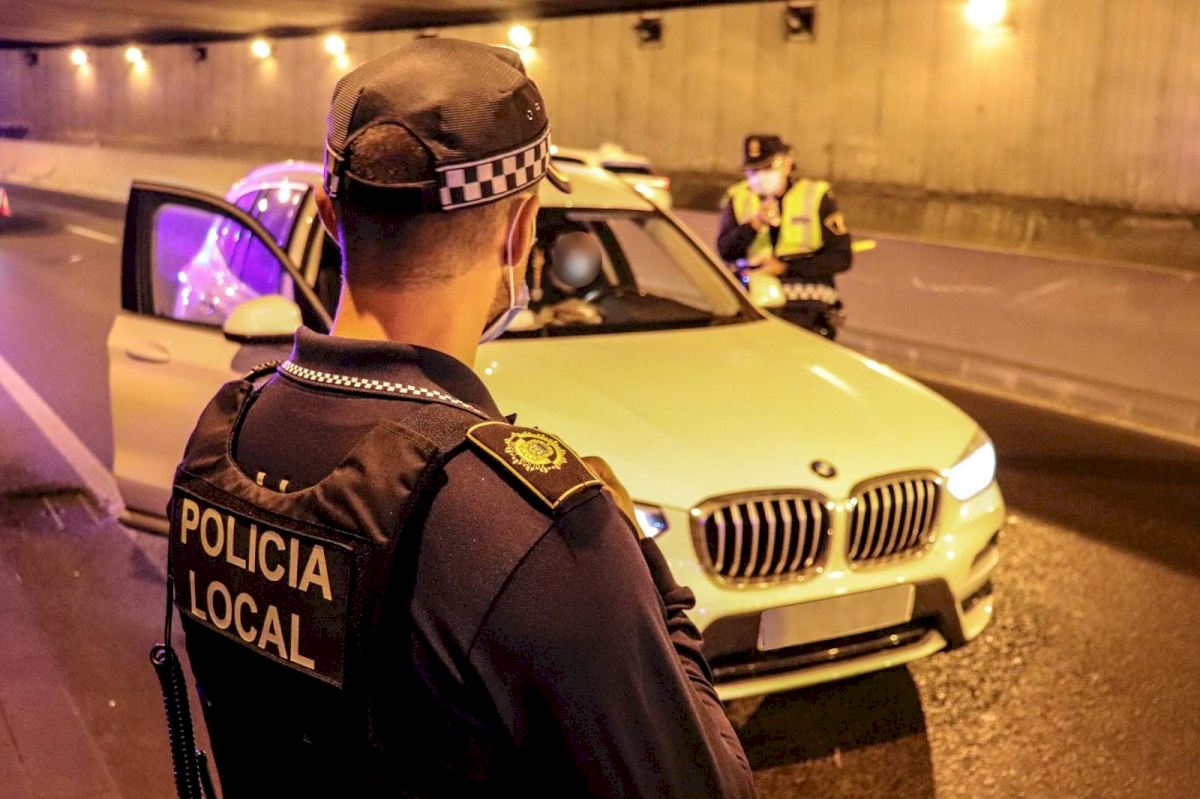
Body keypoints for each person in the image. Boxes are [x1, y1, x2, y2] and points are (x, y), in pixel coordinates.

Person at [163, 38, 756, 798]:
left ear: (328, 215)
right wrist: (645, 572)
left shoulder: (228, 437)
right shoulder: (531, 528)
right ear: (521, 231)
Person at [717, 133, 852, 339]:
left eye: (767, 168)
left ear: (787, 164)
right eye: (753, 170)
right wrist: (754, 224)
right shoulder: (739, 197)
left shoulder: (815, 196)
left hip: (806, 307)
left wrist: (786, 267)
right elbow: (726, 251)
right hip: (755, 301)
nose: (759, 176)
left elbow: (841, 257)